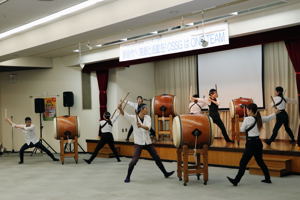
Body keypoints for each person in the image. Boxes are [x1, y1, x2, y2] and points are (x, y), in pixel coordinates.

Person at [118, 103, 174, 183]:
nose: (147, 110)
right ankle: (128, 176)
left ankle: (165, 173)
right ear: (141, 110)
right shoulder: (133, 118)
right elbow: (124, 114)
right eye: (146, 108)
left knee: (157, 158)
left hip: (148, 142)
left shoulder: (148, 117)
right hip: (138, 143)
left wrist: (141, 126)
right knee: (134, 161)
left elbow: (148, 127)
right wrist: (120, 109)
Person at [227, 103, 276, 186]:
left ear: (250, 110)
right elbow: (268, 118)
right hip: (258, 142)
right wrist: (276, 113)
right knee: (260, 161)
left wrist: (244, 121)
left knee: (243, 163)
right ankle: (268, 179)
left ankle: (236, 180)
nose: (246, 111)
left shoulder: (247, 119)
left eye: (247, 110)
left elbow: (242, 130)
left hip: (251, 143)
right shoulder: (259, 118)